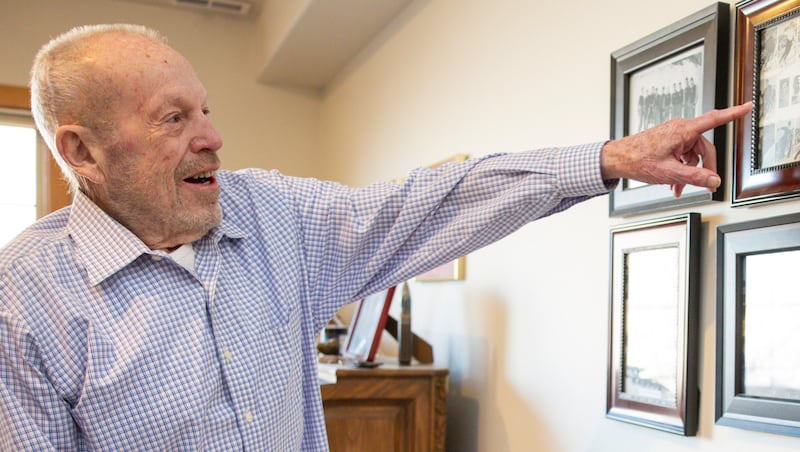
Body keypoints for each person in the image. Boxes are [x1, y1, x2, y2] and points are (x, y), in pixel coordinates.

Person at [0, 23, 750, 451]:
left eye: (205, 111)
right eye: (173, 119)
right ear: (81, 152)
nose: (213, 138)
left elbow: (431, 201)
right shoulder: (23, 301)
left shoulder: (272, 216)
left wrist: (606, 160)